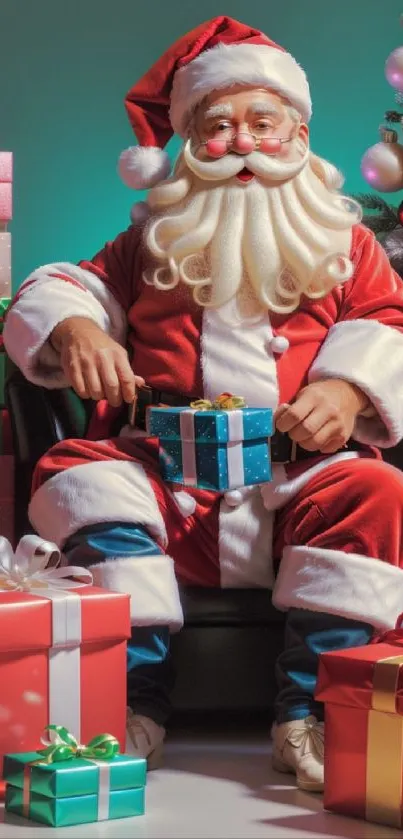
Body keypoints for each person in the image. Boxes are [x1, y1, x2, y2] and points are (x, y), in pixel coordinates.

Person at [5, 16, 403, 792]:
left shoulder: (344, 244)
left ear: (298, 132)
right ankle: (126, 701)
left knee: (377, 491)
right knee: (79, 480)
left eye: (263, 121)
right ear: (186, 144)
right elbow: (61, 286)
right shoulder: (152, 241)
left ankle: (312, 712)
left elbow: (386, 321)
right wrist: (78, 325)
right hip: (164, 476)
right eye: (217, 126)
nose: (244, 142)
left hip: (298, 481)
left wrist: (344, 385)